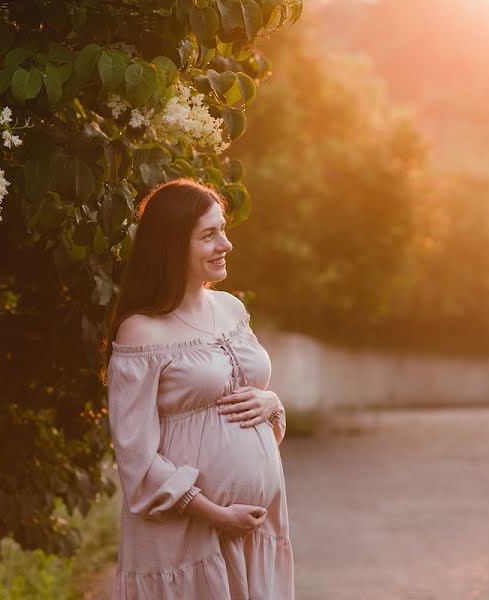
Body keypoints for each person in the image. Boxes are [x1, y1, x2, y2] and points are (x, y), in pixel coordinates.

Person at [101, 178, 294, 599]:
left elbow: (254, 400)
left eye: (223, 229)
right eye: (209, 235)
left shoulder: (231, 308)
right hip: (188, 538)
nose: (225, 244)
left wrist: (272, 402)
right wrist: (215, 513)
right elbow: (136, 458)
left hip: (253, 533)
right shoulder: (141, 333)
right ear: (172, 246)